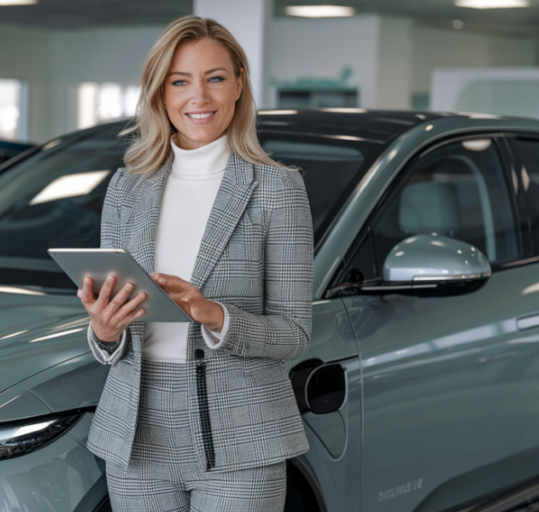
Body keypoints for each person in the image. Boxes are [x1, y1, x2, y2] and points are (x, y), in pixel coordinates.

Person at [76, 15, 313, 511]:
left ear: (239, 85)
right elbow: (110, 335)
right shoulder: (126, 187)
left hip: (242, 432)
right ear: (161, 93)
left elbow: (294, 333)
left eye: (215, 78)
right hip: (137, 434)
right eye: (180, 81)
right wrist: (104, 330)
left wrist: (214, 315)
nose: (198, 98)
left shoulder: (277, 188)